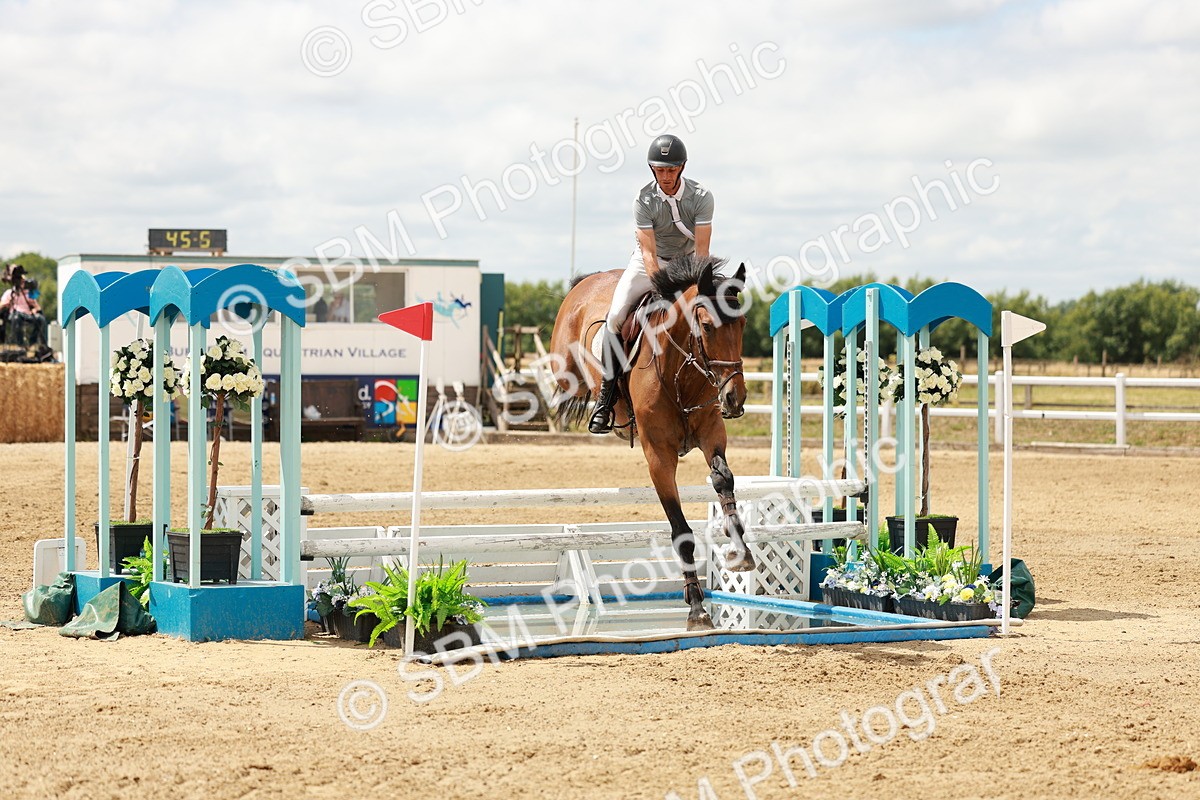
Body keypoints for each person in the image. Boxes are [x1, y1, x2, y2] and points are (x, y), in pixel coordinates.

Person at [589, 133, 715, 434]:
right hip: (648, 263)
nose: (666, 176)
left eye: (671, 170)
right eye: (660, 169)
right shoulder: (643, 199)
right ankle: (605, 399)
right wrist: (660, 285)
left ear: (681, 168)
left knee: (709, 317)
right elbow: (647, 251)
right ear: (652, 169)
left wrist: (695, 286)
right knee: (617, 316)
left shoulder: (701, 196)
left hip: (686, 262)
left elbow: (701, 250)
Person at [0, 265, 48, 347]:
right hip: (15, 315)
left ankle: (33, 343)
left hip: (27, 314)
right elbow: (1, 305)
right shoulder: (10, 292)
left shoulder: (29, 294)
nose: (22, 283)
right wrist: (6, 303)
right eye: (21, 281)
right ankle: (20, 345)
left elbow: (37, 307)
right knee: (17, 317)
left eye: (23, 281)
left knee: (41, 319)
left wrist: (35, 309)